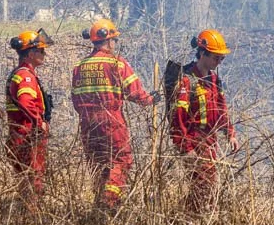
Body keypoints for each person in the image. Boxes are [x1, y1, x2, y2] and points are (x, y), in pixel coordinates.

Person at [71, 17, 156, 210]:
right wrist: (151, 100)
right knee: (120, 161)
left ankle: (99, 204)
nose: (115, 44)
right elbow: (135, 93)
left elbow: (75, 98)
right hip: (111, 121)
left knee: (98, 164)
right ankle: (108, 205)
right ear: (108, 40)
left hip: (86, 123)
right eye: (114, 40)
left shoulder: (79, 67)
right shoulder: (116, 63)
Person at [170, 29, 239, 210]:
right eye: (216, 58)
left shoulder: (214, 80)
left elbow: (221, 108)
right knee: (203, 187)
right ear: (202, 53)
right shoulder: (187, 81)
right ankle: (191, 220)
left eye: (221, 59)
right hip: (193, 140)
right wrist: (187, 149)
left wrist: (230, 133)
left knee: (206, 187)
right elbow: (177, 120)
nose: (219, 62)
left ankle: (188, 218)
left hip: (210, 140)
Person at [5, 29, 53, 199]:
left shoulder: (19, 73)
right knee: (34, 181)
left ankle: (24, 219)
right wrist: (39, 122)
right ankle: (33, 221)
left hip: (18, 135)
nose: (44, 54)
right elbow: (26, 102)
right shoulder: (26, 76)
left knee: (26, 183)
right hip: (27, 136)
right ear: (31, 53)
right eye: (41, 50)